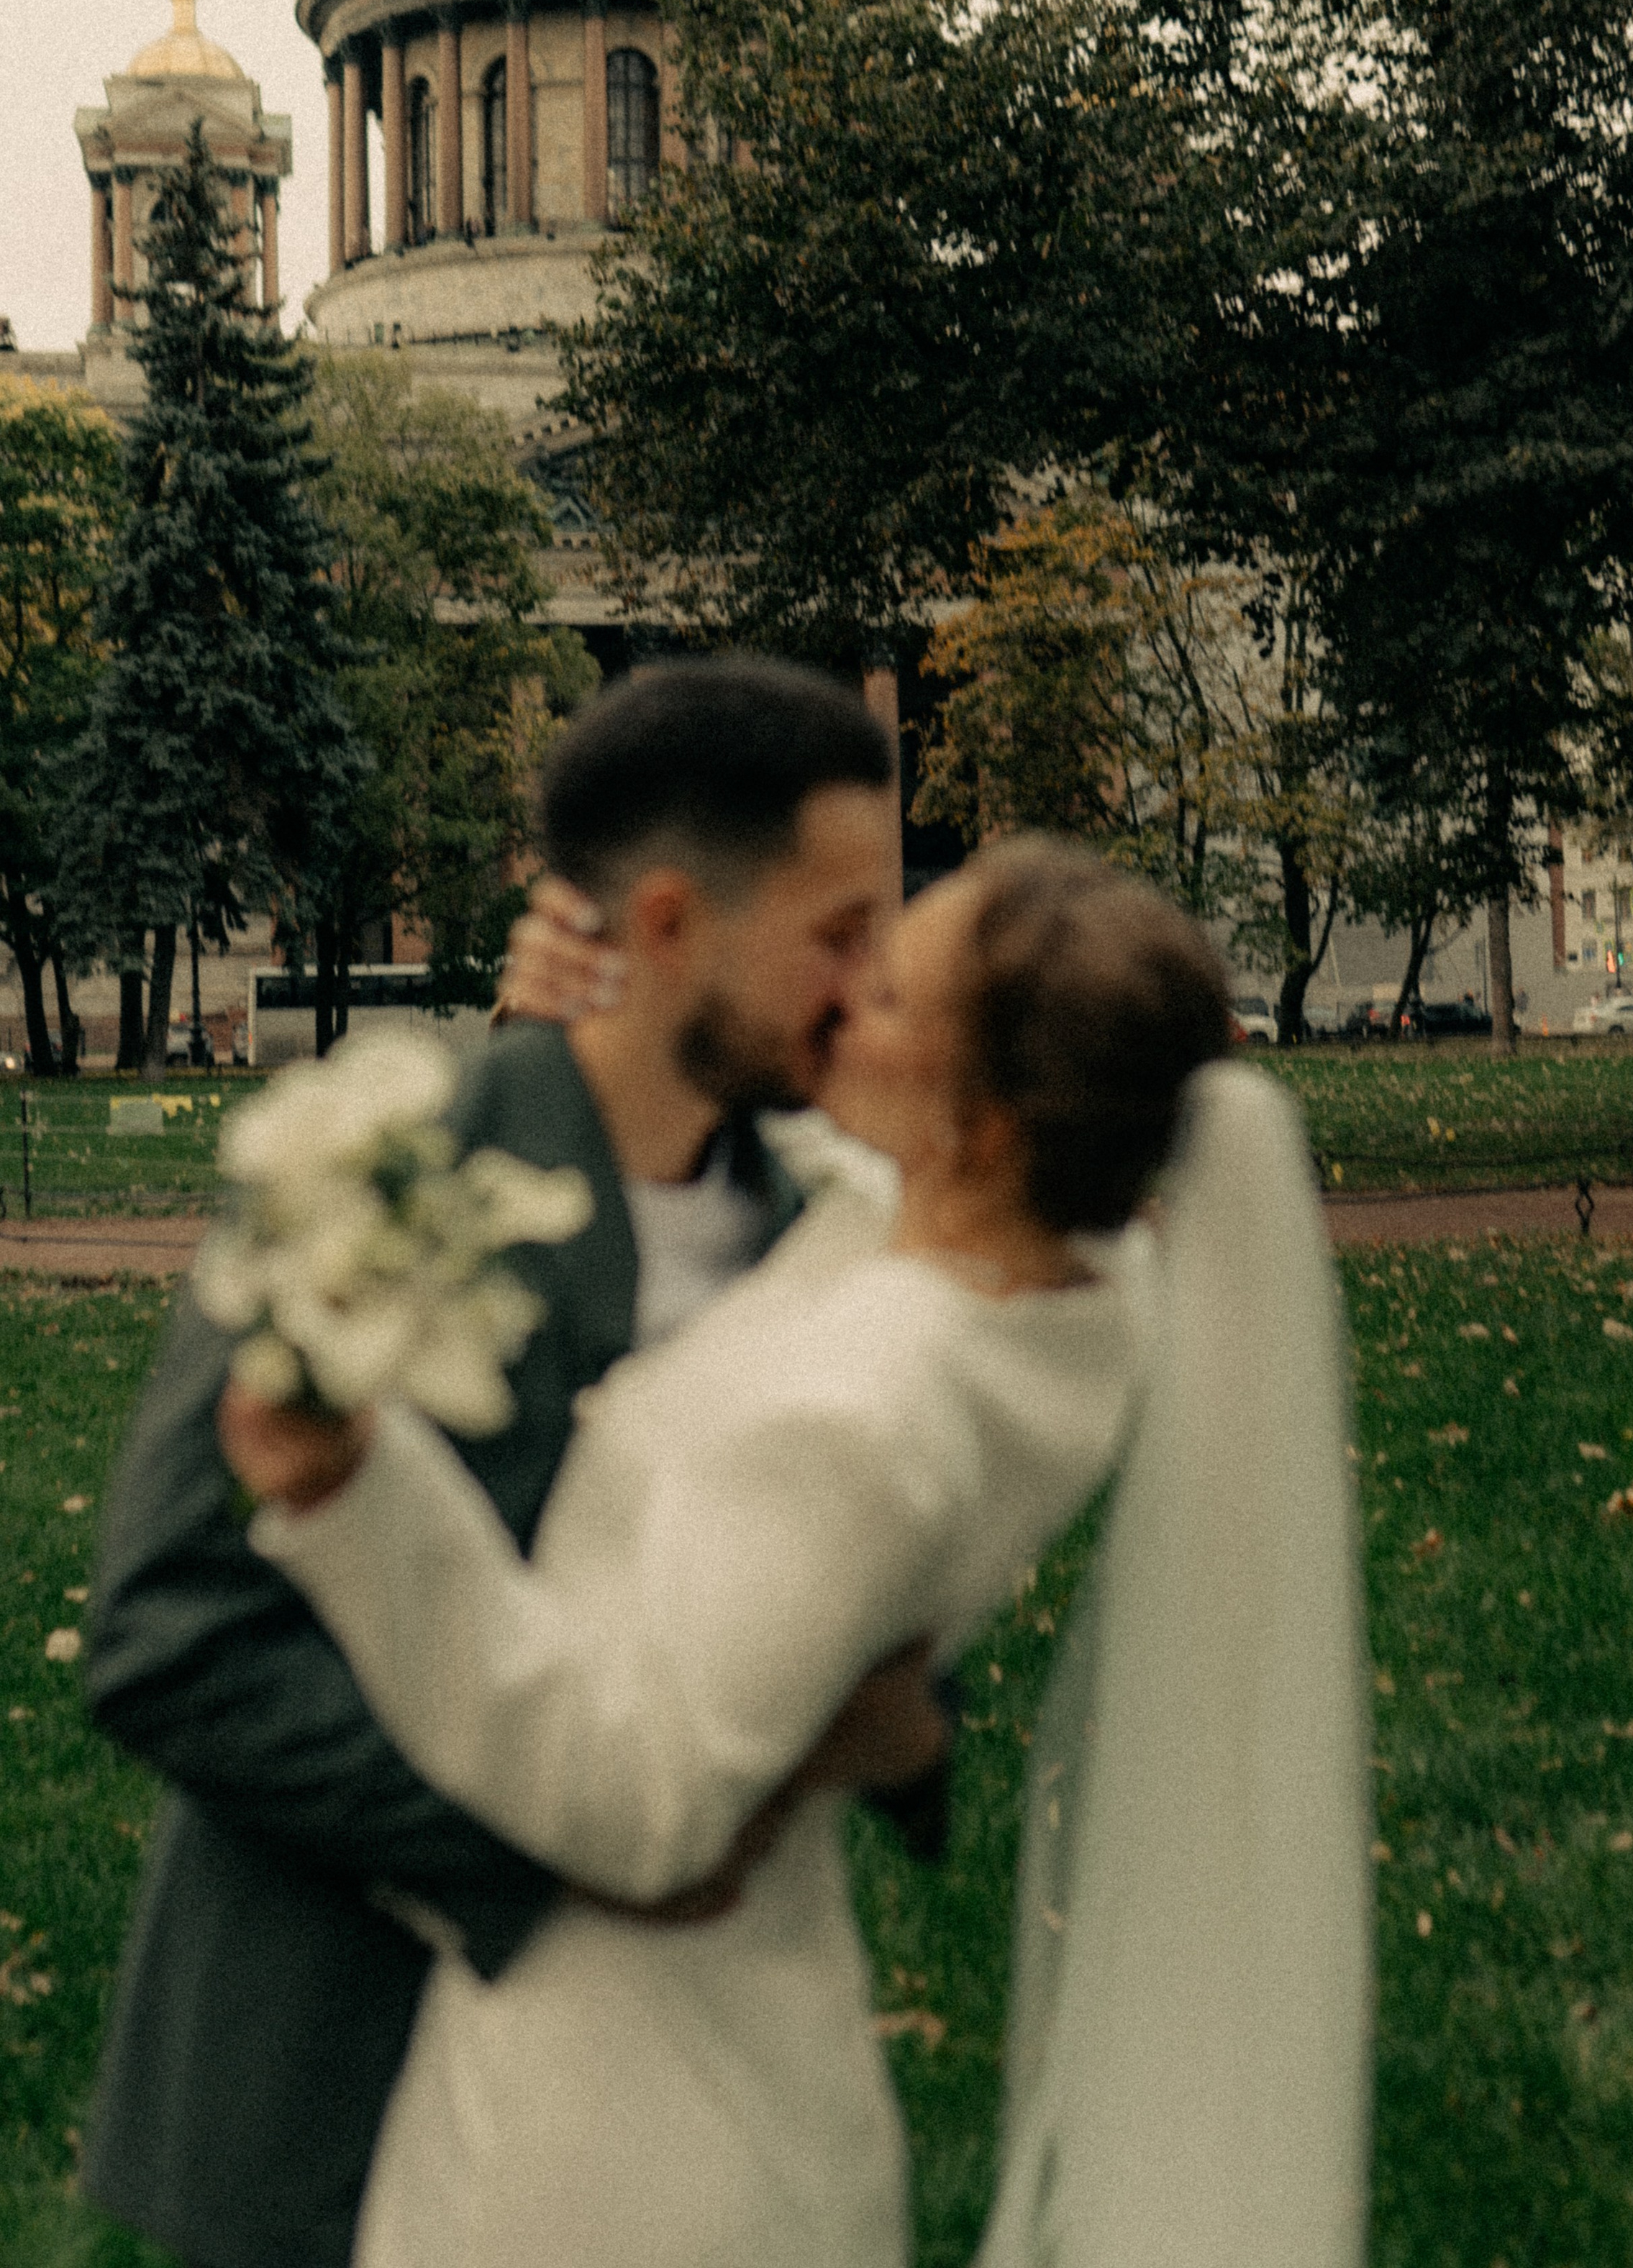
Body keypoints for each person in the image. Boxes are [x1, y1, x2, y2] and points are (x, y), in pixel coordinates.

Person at [221, 837, 1372, 2268]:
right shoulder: (1077, 1288)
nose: (838, 1005)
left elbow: (638, 1800)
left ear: (994, 1118)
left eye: (885, 994)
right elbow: (844, 1175)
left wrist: (352, 1490)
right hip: (742, 2024)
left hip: (618, 2129)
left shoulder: (866, 1415)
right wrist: (601, 1024)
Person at [82, 657, 955, 2268]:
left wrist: (906, 1736)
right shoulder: (378, 1168)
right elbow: (165, 1633)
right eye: (840, 932)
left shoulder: (834, 1232)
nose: (877, 980)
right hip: (341, 2063)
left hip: (678, 2101)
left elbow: (859, 1596)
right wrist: (586, 1840)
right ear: (674, 923)